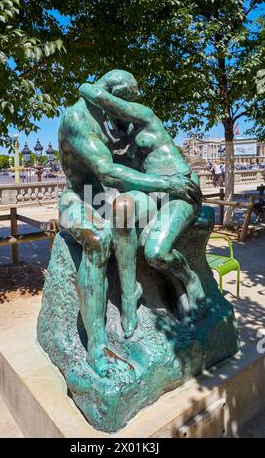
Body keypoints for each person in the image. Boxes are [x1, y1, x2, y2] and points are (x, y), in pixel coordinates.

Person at [58, 69, 201, 379]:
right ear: (112, 97)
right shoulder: (77, 119)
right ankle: (97, 349)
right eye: (124, 104)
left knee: (123, 217)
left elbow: (126, 169)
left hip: (108, 198)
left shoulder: (114, 126)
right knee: (97, 238)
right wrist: (165, 183)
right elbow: (107, 172)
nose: (126, 113)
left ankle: (131, 294)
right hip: (77, 198)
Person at [79, 77, 205, 336]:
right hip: (154, 191)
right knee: (122, 208)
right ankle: (129, 295)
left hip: (180, 189)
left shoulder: (145, 117)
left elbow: (96, 95)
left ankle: (190, 280)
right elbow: (114, 174)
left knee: (156, 252)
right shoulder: (117, 139)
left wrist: (87, 87)